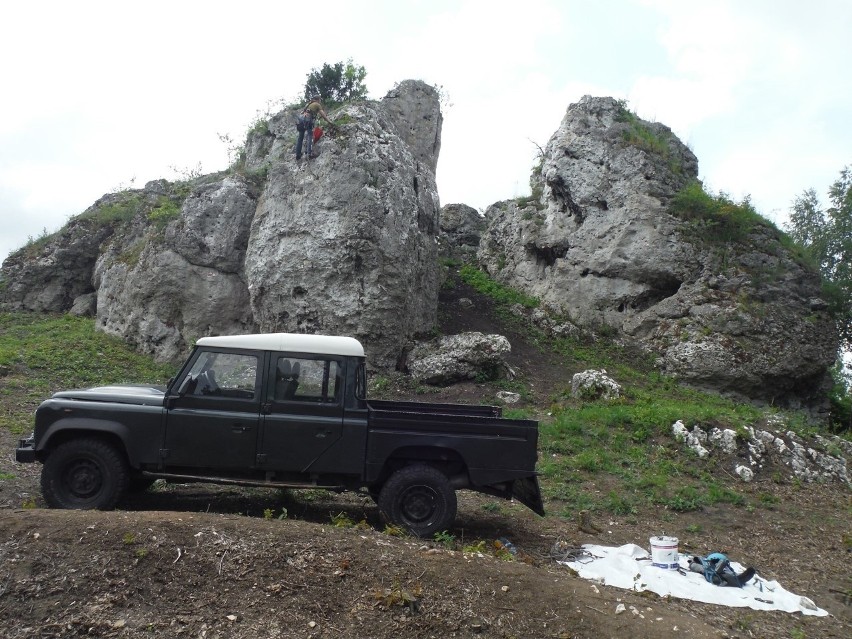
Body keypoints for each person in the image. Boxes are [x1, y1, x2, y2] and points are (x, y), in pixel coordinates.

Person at [295, 96, 333, 160]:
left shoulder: (308, 104)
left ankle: (298, 155)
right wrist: (329, 122)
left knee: (300, 138)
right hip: (308, 120)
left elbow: (302, 113)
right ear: (318, 100)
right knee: (310, 136)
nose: (320, 101)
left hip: (301, 120)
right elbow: (323, 115)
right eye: (320, 100)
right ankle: (309, 154)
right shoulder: (317, 104)